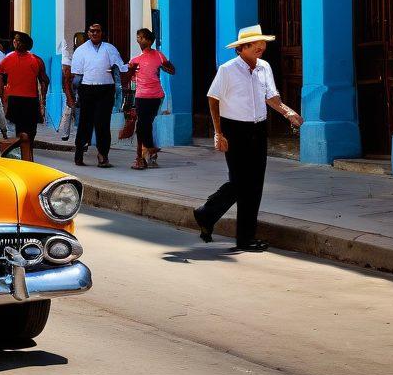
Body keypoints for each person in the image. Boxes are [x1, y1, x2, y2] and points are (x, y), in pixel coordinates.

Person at [194, 25, 303, 253]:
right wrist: (218, 133)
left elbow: (271, 97)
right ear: (243, 48)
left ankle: (242, 236)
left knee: (255, 184)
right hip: (234, 130)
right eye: (256, 44)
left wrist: (287, 112)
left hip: (258, 129)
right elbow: (213, 99)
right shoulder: (227, 70)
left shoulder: (264, 67)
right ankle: (207, 213)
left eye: (262, 43)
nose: (261, 47)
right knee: (241, 181)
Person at [69, 23, 127, 168]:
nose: (95, 33)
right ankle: (79, 154)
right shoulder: (80, 51)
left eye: (98, 31)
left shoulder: (110, 48)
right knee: (84, 123)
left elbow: (120, 68)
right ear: (87, 33)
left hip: (106, 90)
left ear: (102, 33)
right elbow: (76, 76)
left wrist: (131, 67)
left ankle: (103, 155)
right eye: (92, 31)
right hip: (86, 89)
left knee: (103, 124)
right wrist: (75, 95)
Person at [127, 28, 175, 170]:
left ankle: (145, 152)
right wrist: (130, 70)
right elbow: (128, 79)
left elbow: (172, 70)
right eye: (137, 37)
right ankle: (147, 151)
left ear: (148, 40)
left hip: (155, 95)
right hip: (141, 95)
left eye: (141, 37)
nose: (138, 40)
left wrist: (164, 66)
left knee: (144, 124)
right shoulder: (135, 60)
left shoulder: (158, 56)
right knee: (143, 124)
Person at [0, 32, 50, 146]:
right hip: (14, 98)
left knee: (32, 127)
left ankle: (27, 145)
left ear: (27, 44)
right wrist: (0, 95)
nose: (16, 42)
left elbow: (44, 79)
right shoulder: (7, 59)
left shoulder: (36, 60)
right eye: (15, 40)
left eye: (19, 40)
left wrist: (43, 97)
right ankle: (22, 148)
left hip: (31, 99)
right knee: (19, 127)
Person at [57, 32, 88, 141]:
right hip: (74, 86)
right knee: (69, 108)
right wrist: (69, 95)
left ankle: (80, 135)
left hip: (83, 86)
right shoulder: (69, 57)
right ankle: (66, 133)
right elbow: (66, 79)